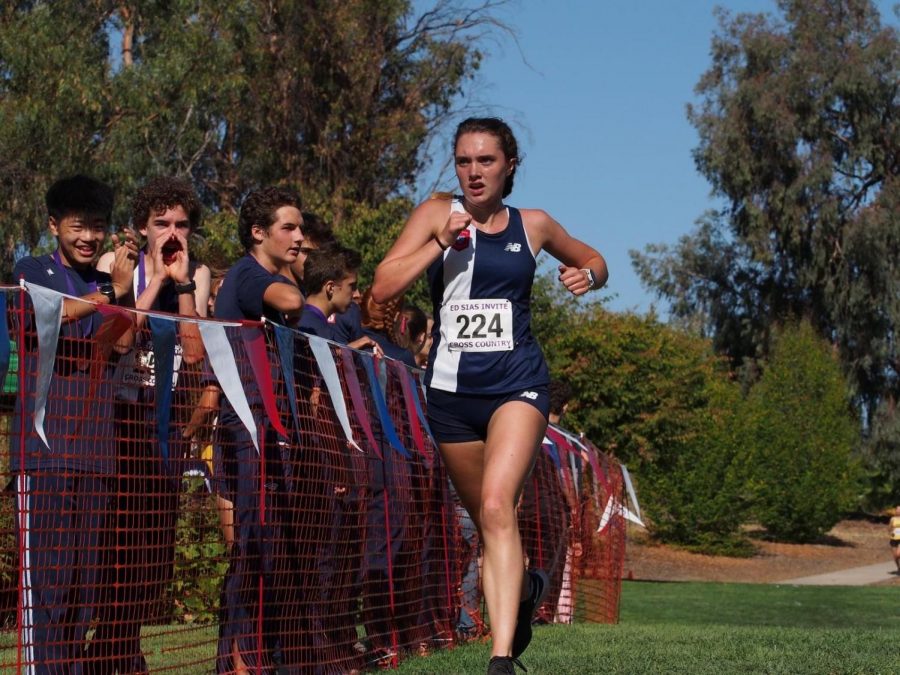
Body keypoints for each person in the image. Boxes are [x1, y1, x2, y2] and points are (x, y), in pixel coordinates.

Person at [372, 116, 607, 674]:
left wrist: (588, 278)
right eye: (464, 161)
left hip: (517, 383)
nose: (474, 172)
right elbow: (380, 290)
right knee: (487, 520)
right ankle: (523, 586)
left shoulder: (534, 225)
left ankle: (501, 661)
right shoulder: (436, 213)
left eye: (486, 161)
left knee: (501, 506)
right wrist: (438, 244)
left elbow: (594, 259)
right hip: (451, 392)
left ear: (509, 167)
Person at [10, 175, 138, 673]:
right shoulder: (30, 268)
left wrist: (121, 296)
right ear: (53, 225)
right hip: (43, 455)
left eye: (98, 227)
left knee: (84, 590)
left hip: (95, 453)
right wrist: (111, 291)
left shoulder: (103, 284)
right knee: (47, 586)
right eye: (79, 226)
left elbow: (119, 346)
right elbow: (39, 319)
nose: (89, 237)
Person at [91, 176, 210, 671]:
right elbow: (115, 342)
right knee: (115, 543)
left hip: (166, 422)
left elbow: (198, 352)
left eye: (181, 223)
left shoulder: (197, 273)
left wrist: (182, 285)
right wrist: (156, 279)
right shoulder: (117, 266)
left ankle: (120, 642)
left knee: (155, 550)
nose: (171, 232)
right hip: (118, 417)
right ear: (143, 227)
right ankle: (108, 645)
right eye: (161, 223)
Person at [213, 186, 304, 674]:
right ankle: (238, 663)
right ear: (257, 231)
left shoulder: (257, 271)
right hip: (247, 423)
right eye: (288, 227)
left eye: (299, 227)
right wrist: (293, 279)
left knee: (273, 544)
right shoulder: (250, 275)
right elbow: (288, 300)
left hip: (269, 425)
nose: (298, 237)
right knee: (253, 544)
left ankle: (263, 655)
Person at [890, 506, 900, 573]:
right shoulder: (892, 519)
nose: (898, 511)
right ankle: (899, 568)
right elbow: (889, 528)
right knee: (895, 556)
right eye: (898, 510)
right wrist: (892, 530)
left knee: (898, 554)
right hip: (893, 538)